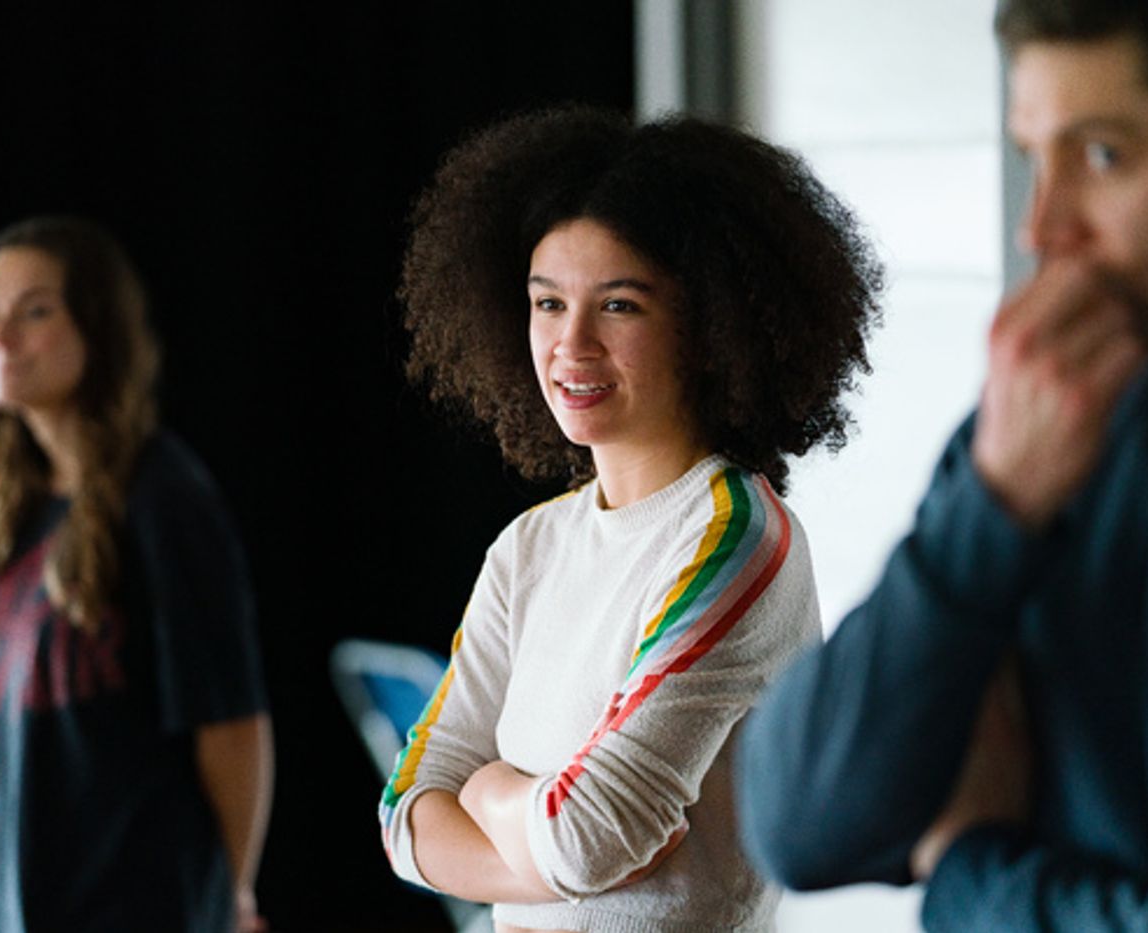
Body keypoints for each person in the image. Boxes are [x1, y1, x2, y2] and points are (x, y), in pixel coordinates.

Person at [736, 0, 1148, 929]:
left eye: (1104, 155)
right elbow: (801, 822)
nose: (1043, 226)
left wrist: (969, 875)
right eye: (1033, 158)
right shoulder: (1050, 423)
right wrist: (993, 507)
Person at [375, 105, 882, 932]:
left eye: (619, 306)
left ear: (709, 327)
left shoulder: (734, 539)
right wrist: (538, 830)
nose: (571, 344)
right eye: (547, 303)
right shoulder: (530, 546)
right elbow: (404, 817)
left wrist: (488, 790)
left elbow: (589, 840)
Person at [0, 216, 274, 933]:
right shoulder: (8, 512)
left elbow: (231, 723)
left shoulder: (161, 495)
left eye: (34, 311)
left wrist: (231, 897)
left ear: (96, 327)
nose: (2, 337)